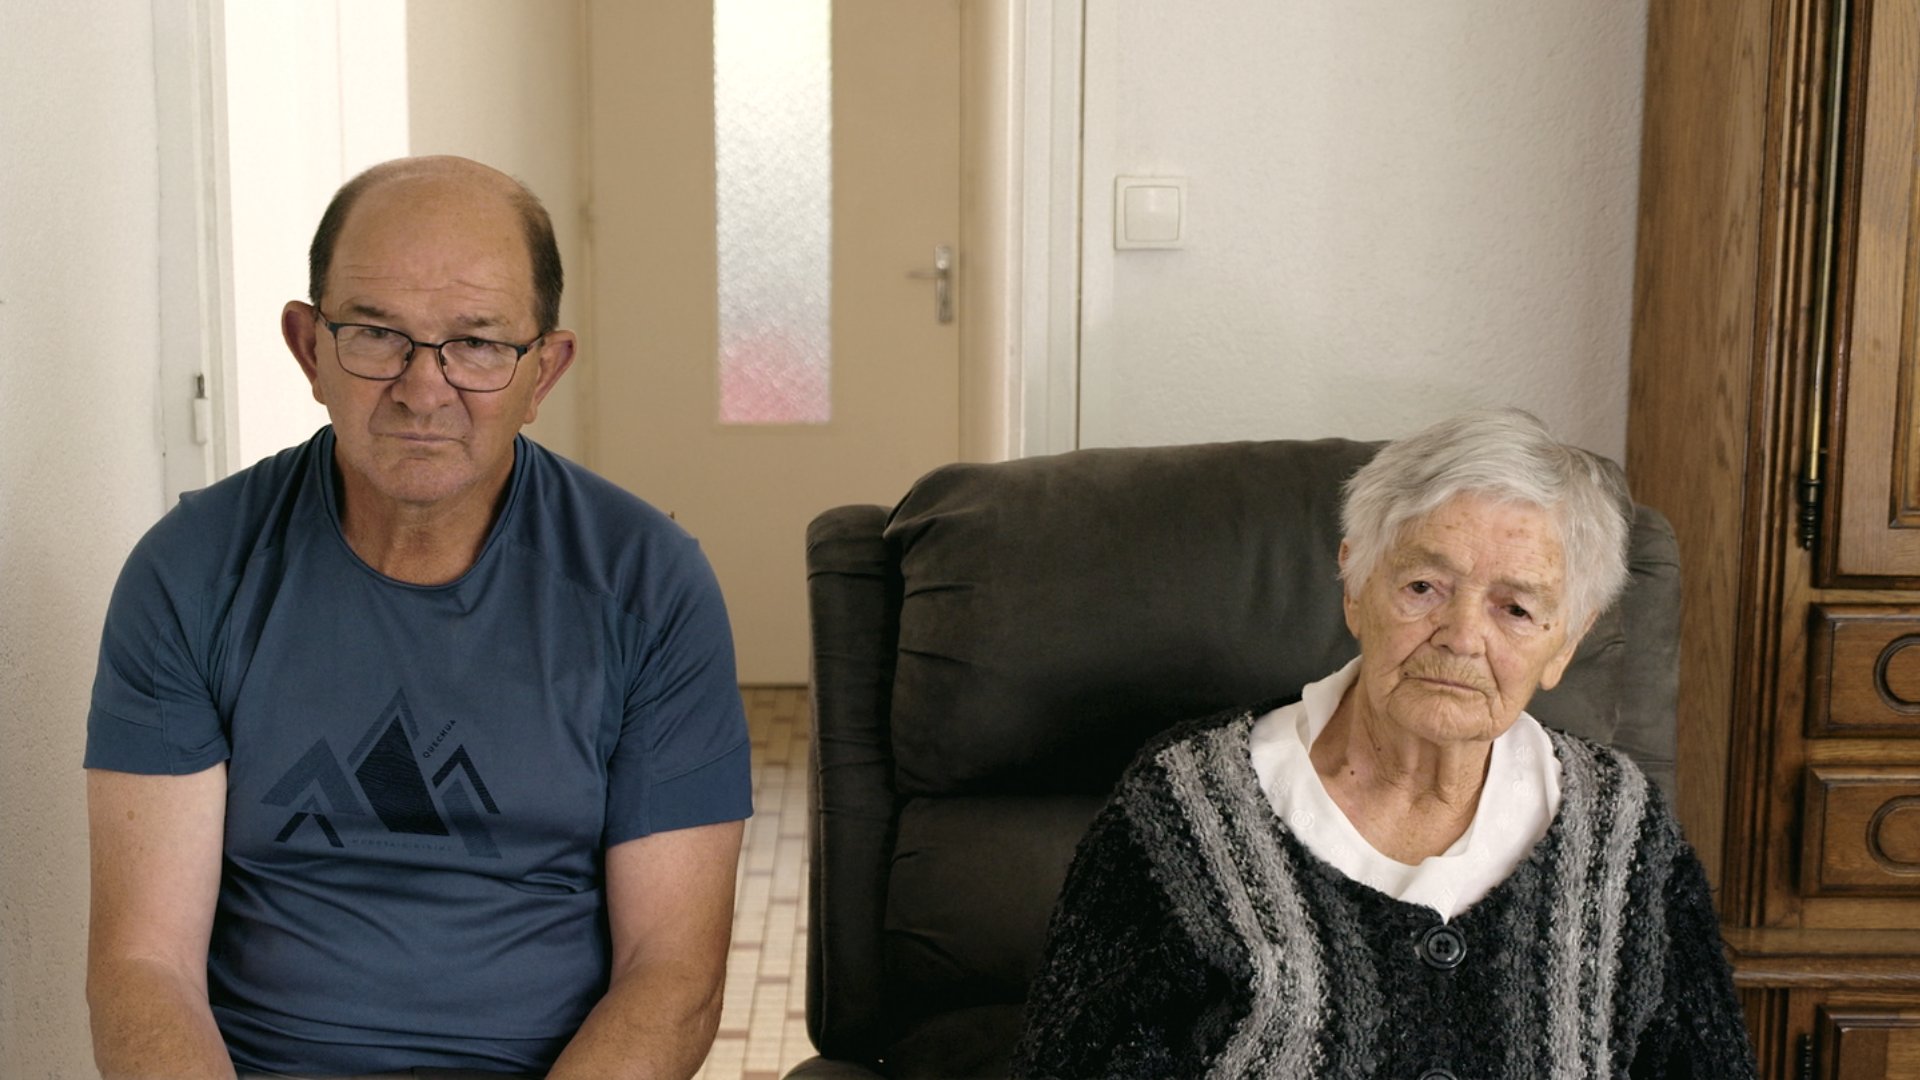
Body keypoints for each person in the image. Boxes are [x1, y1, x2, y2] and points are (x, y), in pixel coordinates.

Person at [84, 156, 751, 1079]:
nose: (423, 388)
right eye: (374, 334)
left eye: (477, 344)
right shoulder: (192, 569)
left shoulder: (649, 584)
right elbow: (142, 965)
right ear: (308, 347)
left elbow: (671, 973)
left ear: (545, 370)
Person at [1013, 409, 1757, 1079]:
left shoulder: (1623, 832)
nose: (1463, 637)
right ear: (1355, 587)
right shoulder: (1183, 809)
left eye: (1517, 607)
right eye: (1424, 587)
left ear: (1566, 643)